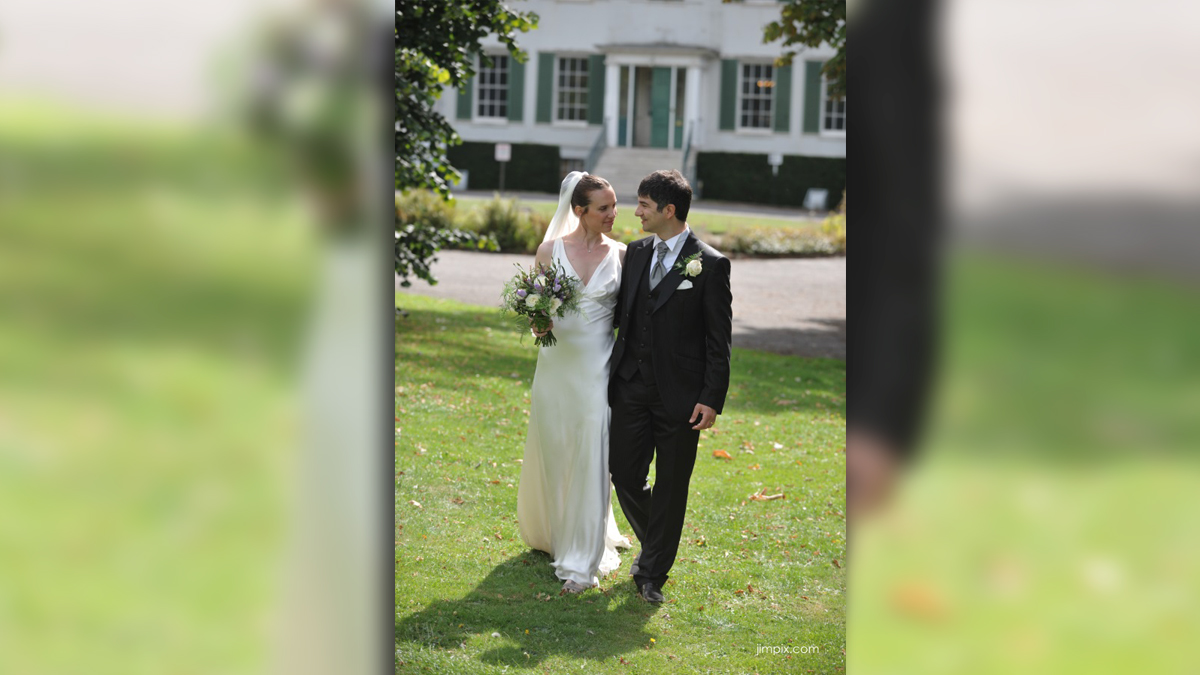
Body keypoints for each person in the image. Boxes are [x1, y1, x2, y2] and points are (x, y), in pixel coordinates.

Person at [608, 170, 733, 604]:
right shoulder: (636, 252)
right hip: (630, 386)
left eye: (644, 205)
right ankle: (657, 544)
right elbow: (620, 314)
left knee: (672, 485)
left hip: (681, 397)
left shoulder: (710, 264)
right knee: (624, 474)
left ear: (669, 210)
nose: (636, 213)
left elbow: (719, 341)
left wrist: (711, 398)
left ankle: (651, 574)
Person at [516, 171, 632, 594]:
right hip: (555, 369)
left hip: (598, 369)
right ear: (579, 210)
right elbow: (536, 314)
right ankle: (555, 531)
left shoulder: (622, 255)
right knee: (557, 449)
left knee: (592, 452)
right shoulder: (549, 251)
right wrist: (537, 318)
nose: (613, 214)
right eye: (604, 208)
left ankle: (581, 560)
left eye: (614, 206)